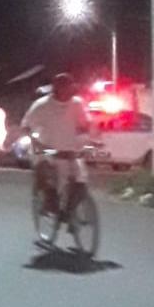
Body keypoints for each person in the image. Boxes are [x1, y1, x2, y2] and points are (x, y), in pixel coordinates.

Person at [20, 73, 90, 216]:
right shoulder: (42, 106)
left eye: (70, 88)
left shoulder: (77, 104)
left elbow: (85, 125)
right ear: (56, 89)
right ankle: (48, 203)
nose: (68, 91)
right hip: (47, 150)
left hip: (69, 150)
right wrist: (37, 142)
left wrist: (85, 140)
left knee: (81, 183)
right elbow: (26, 126)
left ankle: (69, 213)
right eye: (64, 88)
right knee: (46, 176)